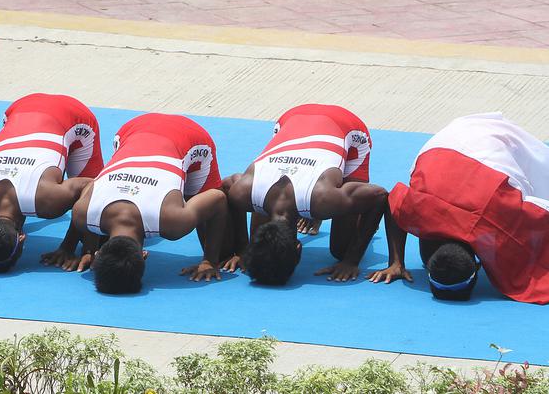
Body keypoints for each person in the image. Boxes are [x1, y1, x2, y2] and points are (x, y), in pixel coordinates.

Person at [368, 113, 549, 304]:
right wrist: (396, 263)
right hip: (446, 146)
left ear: (478, 268)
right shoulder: (419, 210)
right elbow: (392, 203)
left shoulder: (503, 219)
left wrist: (397, 262)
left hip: (487, 144)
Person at [220, 104, 389, 285]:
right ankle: (312, 212)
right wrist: (241, 250)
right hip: (291, 118)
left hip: (345, 125)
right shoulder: (243, 192)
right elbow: (225, 187)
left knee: (342, 249)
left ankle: (330, 214)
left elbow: (379, 196)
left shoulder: (324, 198)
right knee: (305, 205)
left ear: (299, 248)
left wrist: (351, 260)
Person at [70, 113, 229, 294]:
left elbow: (218, 197)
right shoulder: (82, 213)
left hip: (188, 135)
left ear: (144, 255)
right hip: (130, 129)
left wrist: (210, 261)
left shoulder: (173, 222)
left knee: (224, 248)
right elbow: (91, 185)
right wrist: (89, 249)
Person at [0, 93, 102, 273]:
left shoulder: (47, 202)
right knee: (91, 225)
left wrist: (73, 247)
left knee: (97, 227)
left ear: (22, 237)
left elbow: (93, 186)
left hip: (73, 115)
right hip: (19, 109)